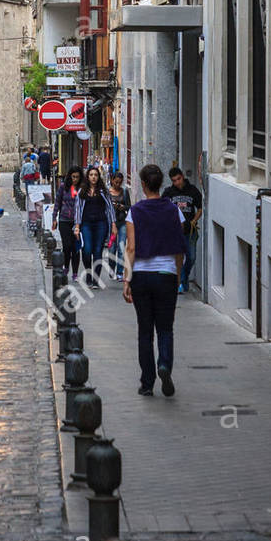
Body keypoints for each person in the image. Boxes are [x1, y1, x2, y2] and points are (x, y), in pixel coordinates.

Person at [123, 163, 187, 397]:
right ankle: (165, 365)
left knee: (145, 331)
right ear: (161, 184)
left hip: (141, 275)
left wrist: (127, 280)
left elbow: (131, 248)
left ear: (142, 184)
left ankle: (147, 382)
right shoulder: (173, 211)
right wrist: (177, 274)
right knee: (166, 328)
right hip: (166, 275)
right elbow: (179, 248)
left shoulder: (135, 212)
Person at [162, 166, 203, 293]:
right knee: (177, 258)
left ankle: (183, 278)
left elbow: (200, 208)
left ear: (182, 176)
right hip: (174, 232)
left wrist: (194, 221)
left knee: (191, 258)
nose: (177, 182)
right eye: (174, 180)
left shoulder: (193, 190)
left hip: (190, 231)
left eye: (178, 179)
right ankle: (180, 282)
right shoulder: (169, 192)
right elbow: (162, 208)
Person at [73, 166, 116, 287]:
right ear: (88, 177)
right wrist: (77, 226)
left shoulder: (104, 191)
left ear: (98, 177)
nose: (93, 177)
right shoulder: (82, 191)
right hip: (86, 223)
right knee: (86, 250)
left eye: (96, 175)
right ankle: (88, 274)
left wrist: (113, 224)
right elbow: (78, 209)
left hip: (101, 223)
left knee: (98, 251)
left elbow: (110, 208)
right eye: (91, 175)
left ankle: (96, 279)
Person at [51, 166, 83, 279]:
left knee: (76, 247)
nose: (75, 179)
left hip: (77, 221)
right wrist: (54, 218)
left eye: (77, 177)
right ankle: (66, 266)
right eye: (73, 177)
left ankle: (75, 272)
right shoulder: (64, 187)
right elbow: (57, 203)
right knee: (67, 245)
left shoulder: (82, 189)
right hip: (64, 220)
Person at [108, 171, 132, 281]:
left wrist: (123, 207)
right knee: (112, 248)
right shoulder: (107, 193)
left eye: (120, 182)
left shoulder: (125, 192)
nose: (117, 184)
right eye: (116, 182)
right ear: (112, 180)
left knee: (121, 248)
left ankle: (119, 272)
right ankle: (112, 269)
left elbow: (129, 207)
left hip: (122, 222)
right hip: (111, 223)